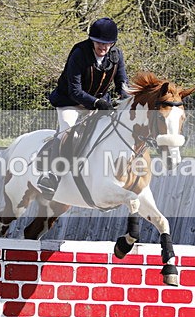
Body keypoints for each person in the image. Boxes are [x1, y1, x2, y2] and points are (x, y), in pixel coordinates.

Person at [37, 17, 130, 199]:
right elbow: (74, 90)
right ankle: (52, 175)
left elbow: (122, 82)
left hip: (100, 102)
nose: (103, 48)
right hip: (70, 101)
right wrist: (96, 103)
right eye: (99, 43)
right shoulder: (80, 53)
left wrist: (125, 98)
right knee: (67, 130)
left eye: (108, 44)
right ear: (92, 40)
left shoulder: (116, 54)